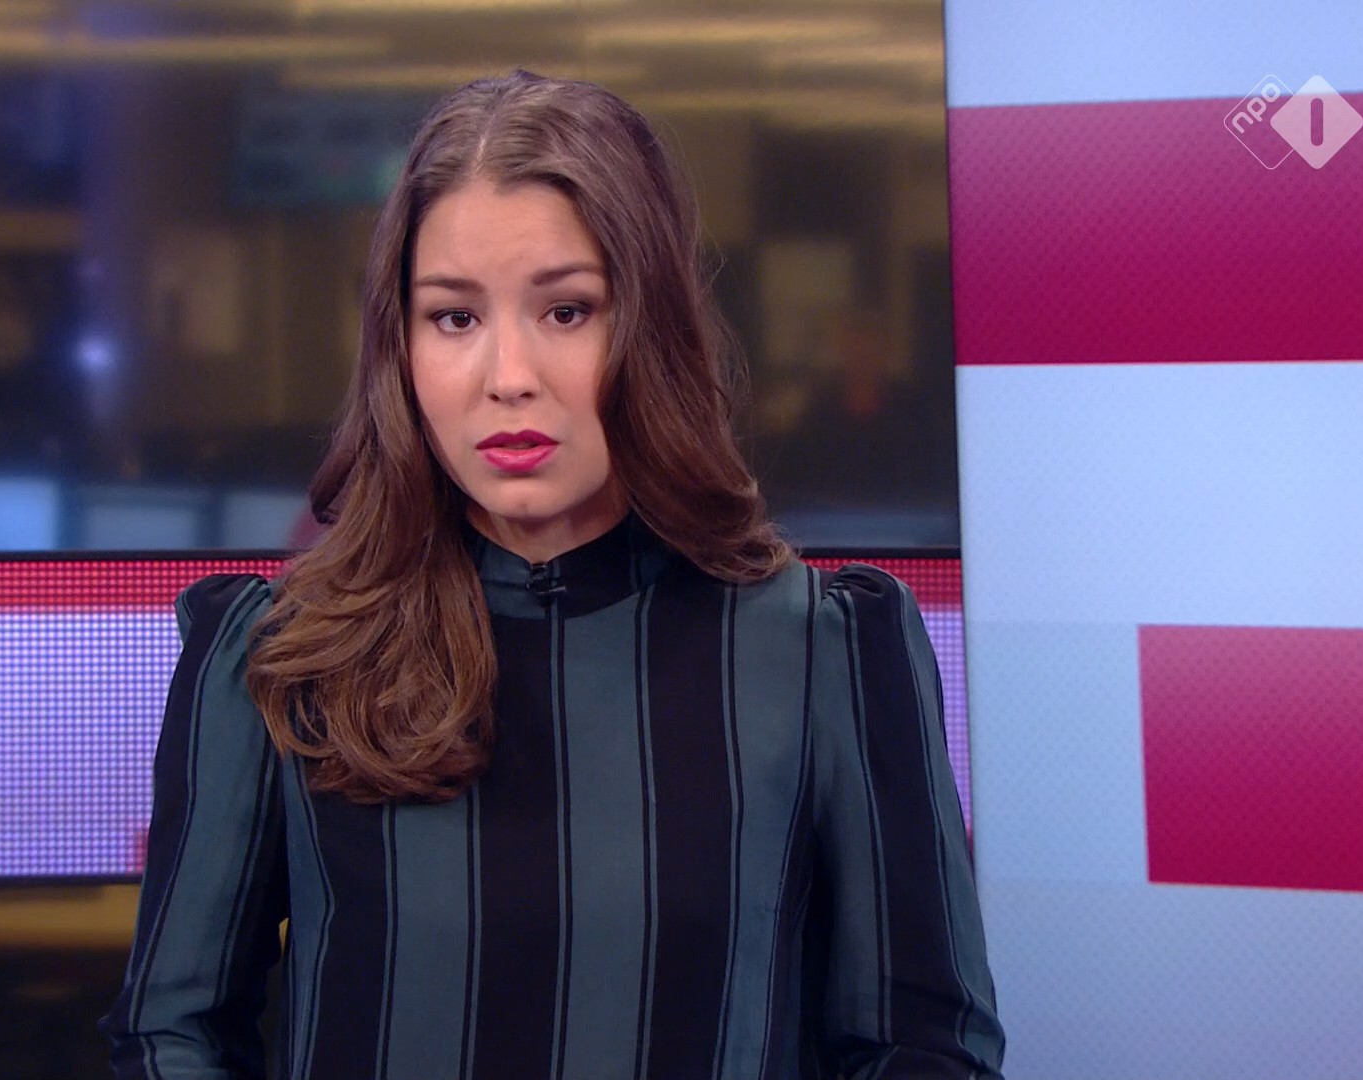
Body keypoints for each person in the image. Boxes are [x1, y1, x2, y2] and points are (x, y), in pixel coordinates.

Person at [99, 70, 1005, 1080]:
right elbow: (172, 1035)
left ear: (650, 326)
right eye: (454, 318)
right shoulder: (280, 659)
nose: (509, 377)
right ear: (399, 345)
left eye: (567, 311)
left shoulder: (824, 652)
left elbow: (926, 1046)